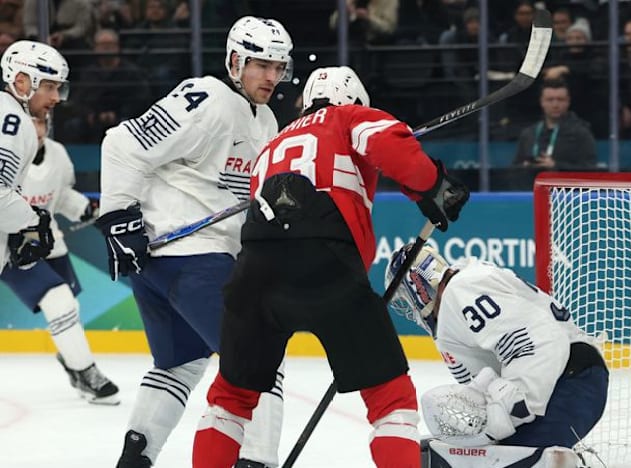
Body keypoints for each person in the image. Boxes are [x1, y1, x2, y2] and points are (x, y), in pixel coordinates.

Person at [191, 65, 470, 468]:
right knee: (390, 398)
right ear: (355, 99)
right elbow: (391, 146)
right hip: (325, 263)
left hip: (254, 269)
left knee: (229, 399)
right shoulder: (349, 116)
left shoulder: (272, 144)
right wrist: (434, 187)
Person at [94, 16, 294, 468]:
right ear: (235, 61)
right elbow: (122, 143)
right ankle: (257, 460)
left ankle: (135, 459)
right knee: (260, 351)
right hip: (189, 258)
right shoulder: (206, 98)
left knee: (181, 363)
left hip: (174, 265)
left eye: (279, 67)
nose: (272, 76)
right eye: (262, 65)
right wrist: (118, 218)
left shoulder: (265, 119)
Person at [385, 244, 608, 455]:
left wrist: (510, 409)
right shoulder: (464, 290)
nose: (412, 309)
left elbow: (539, 340)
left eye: (407, 296)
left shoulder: (461, 291)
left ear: (419, 286)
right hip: (568, 378)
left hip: (571, 381)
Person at [1, 116, 118, 404]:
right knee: (59, 300)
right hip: (12, 248)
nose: (36, 129)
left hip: (49, 242)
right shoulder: (6, 153)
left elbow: (61, 194)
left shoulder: (58, 154)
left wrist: (87, 209)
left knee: (69, 308)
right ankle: (86, 371)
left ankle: (74, 365)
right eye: (30, 122)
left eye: (40, 123)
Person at [0, 40, 68, 310]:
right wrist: (32, 222)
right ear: (21, 82)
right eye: (49, 87)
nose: (56, 97)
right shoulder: (13, 122)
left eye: (59, 88)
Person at [513, 79, 597, 169]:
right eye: (550, 100)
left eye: (560, 100)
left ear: (568, 101)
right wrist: (524, 167)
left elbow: (590, 168)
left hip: (563, 178)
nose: (555, 105)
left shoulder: (581, 133)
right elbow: (514, 168)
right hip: (531, 178)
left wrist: (556, 166)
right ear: (542, 102)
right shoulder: (529, 134)